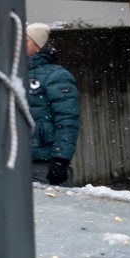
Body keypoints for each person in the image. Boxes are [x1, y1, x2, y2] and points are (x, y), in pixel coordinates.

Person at [25, 23, 81, 186]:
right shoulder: (14, 74)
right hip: (16, 162)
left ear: (38, 46)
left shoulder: (57, 76)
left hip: (45, 164)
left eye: (25, 41)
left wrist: (60, 159)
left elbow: (68, 120)